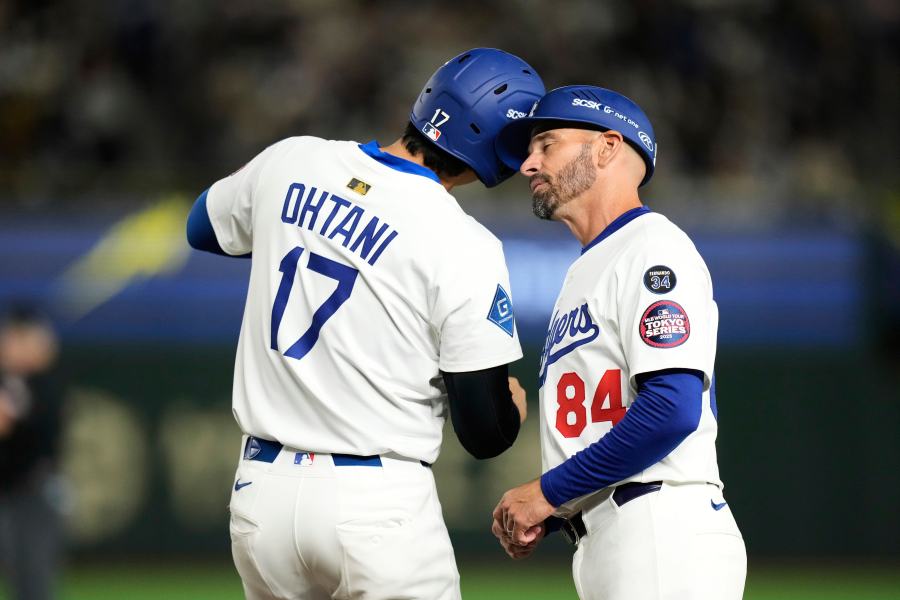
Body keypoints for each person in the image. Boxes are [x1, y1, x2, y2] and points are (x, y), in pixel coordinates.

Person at [186, 48, 544, 600]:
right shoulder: (463, 243)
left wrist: (310, 233)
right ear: (500, 146)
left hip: (262, 496)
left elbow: (202, 227)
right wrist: (511, 409)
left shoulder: (294, 160)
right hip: (375, 505)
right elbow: (483, 432)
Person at [490, 85, 747, 599]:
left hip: (659, 527)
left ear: (607, 146)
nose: (528, 164)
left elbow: (672, 409)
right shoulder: (590, 266)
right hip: (614, 534)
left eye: (547, 144)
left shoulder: (653, 249)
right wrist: (560, 507)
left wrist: (547, 493)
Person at [0, 306, 66, 600]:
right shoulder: (11, 382)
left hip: (36, 491)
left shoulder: (45, 383)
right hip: (10, 492)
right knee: (20, 578)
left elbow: (41, 425)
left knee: (35, 581)